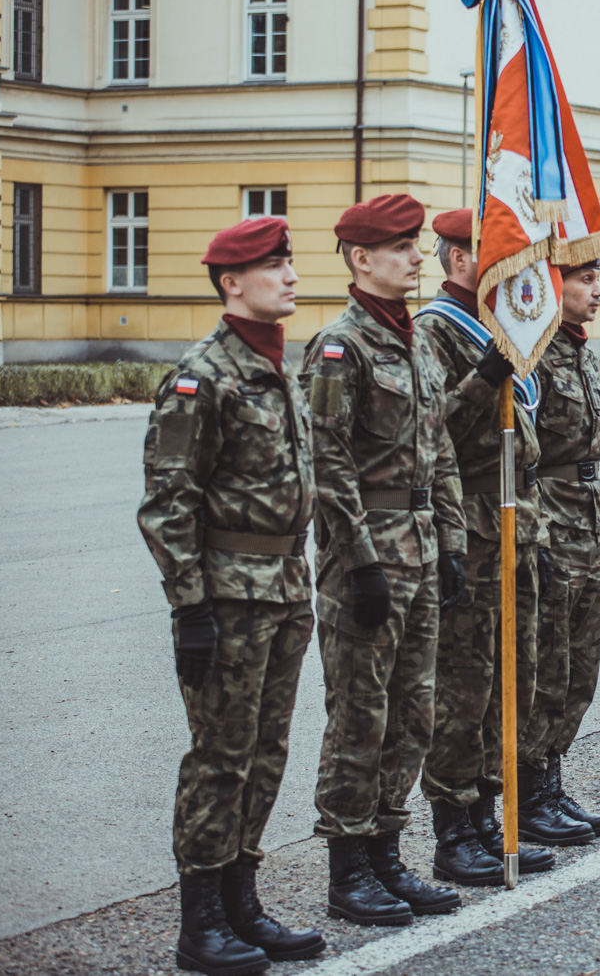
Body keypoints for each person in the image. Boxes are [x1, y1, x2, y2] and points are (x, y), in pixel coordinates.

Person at [139, 216, 326, 974]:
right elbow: (168, 500)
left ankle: (243, 898)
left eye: (289, 262)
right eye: (273, 265)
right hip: (227, 596)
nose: (289, 275)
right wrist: (189, 607)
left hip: (284, 585)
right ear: (231, 283)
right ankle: (201, 920)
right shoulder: (203, 375)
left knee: (266, 749)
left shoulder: (280, 365)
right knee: (220, 755)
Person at [302, 194, 466, 926]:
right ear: (361, 258)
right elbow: (327, 461)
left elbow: (441, 453)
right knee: (361, 715)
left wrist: (455, 543)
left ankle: (387, 853)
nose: (416, 257)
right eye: (401, 247)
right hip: (367, 555)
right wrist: (360, 559)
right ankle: (348, 866)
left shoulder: (418, 343)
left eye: (417, 246)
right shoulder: (340, 347)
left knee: (413, 711)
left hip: (423, 544)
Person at [414, 207, 566, 890]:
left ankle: (489, 815)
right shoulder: (436, 332)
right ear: (459, 260)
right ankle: (454, 826)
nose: (516, 267)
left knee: (515, 672)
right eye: (499, 253)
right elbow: (431, 426)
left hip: (518, 512)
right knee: (466, 682)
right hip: (471, 515)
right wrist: (486, 373)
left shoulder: (500, 326)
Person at [530, 254, 600, 829]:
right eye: (584, 279)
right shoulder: (531, 355)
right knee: (548, 662)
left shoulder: (581, 351)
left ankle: (552, 777)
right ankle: (531, 789)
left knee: (581, 665)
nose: (598, 290)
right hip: (549, 515)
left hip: (587, 514)